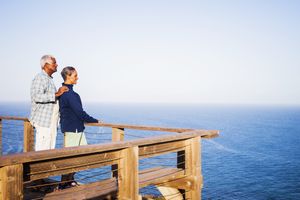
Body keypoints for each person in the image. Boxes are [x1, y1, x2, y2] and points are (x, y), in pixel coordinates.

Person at [58, 66, 100, 188]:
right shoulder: (69, 94)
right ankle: (62, 185)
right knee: (70, 160)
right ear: (68, 76)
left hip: (74, 129)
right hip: (73, 130)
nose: (77, 78)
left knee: (78, 158)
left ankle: (69, 181)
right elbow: (80, 113)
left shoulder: (65, 92)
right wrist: (95, 120)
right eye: (75, 75)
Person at [30, 55, 68, 151]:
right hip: (44, 122)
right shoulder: (40, 78)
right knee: (42, 150)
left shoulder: (48, 79)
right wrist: (56, 94)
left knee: (49, 148)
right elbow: (36, 96)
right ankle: (39, 166)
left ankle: (44, 166)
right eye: (54, 63)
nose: (57, 65)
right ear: (46, 65)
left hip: (50, 122)